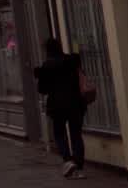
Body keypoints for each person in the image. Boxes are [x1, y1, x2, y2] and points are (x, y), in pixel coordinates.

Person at [34, 38, 86, 179]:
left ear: (48, 50)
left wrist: (40, 75)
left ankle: (68, 160)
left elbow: (42, 89)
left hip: (57, 105)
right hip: (75, 103)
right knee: (76, 135)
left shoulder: (47, 65)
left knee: (59, 134)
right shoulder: (71, 61)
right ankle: (80, 168)